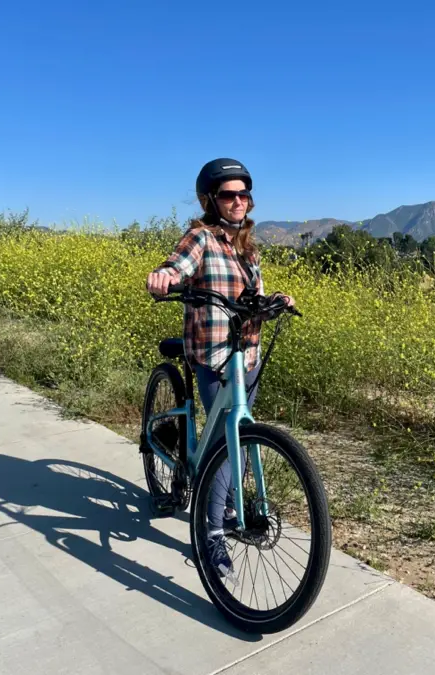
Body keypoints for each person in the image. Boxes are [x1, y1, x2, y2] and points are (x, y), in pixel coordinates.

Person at [146, 158, 293, 579]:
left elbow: (254, 297)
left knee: (241, 440)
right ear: (210, 199)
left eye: (244, 195)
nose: (238, 202)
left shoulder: (249, 248)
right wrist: (164, 277)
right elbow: (178, 267)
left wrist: (278, 300)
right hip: (212, 355)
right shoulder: (200, 238)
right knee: (226, 447)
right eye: (229, 195)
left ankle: (228, 506)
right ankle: (209, 535)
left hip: (246, 355)